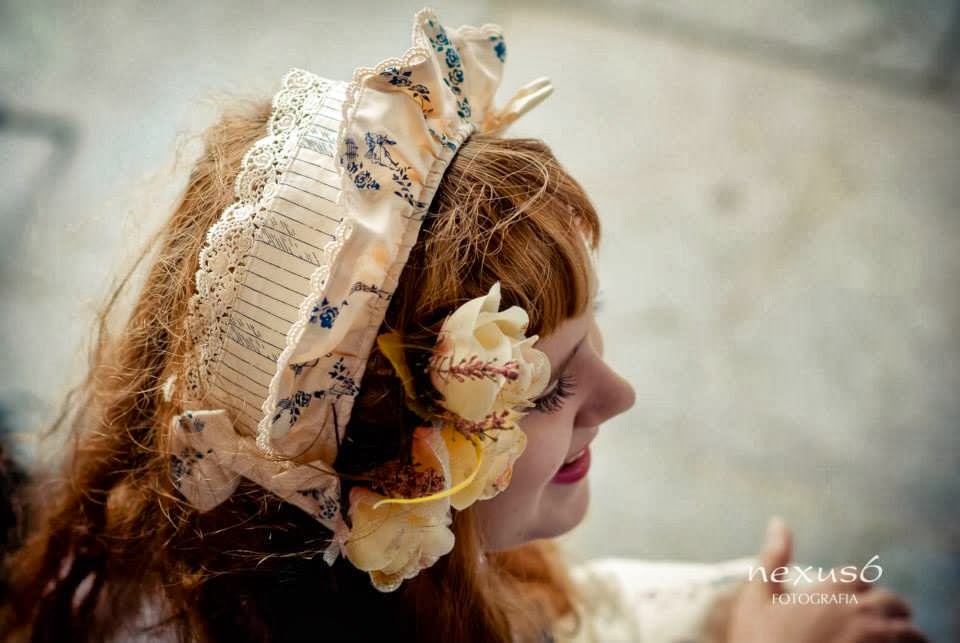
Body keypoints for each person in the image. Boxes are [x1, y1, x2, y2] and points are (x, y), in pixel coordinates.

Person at [0, 9, 928, 643]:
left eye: (591, 332)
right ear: (391, 482)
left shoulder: (419, 584)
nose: (621, 394)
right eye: (548, 388)